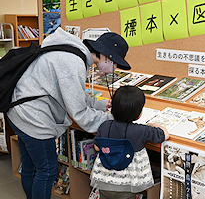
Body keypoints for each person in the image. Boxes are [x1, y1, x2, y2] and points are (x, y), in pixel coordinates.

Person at [6, 27, 131, 199]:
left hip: (18, 110)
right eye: (114, 63)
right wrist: (110, 119)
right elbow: (79, 113)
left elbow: (71, 94)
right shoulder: (73, 63)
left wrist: (98, 104)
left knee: (30, 166)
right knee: (47, 170)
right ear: (104, 55)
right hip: (33, 118)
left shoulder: (72, 51)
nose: (114, 67)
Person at [90, 86, 169, 199]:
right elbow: (164, 134)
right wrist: (153, 125)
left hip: (104, 182)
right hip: (127, 186)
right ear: (138, 114)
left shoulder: (105, 125)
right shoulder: (141, 130)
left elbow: (97, 148)